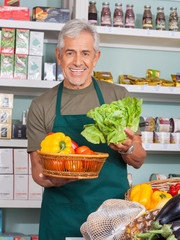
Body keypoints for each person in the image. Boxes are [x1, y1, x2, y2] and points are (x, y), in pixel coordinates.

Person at [27, 19, 146, 240]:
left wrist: (128, 148)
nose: (78, 62)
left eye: (85, 53)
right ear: (59, 55)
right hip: (62, 214)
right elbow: (38, 173)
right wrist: (70, 174)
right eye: (70, 53)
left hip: (113, 216)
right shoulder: (41, 105)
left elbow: (139, 159)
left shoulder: (118, 97)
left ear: (96, 57)